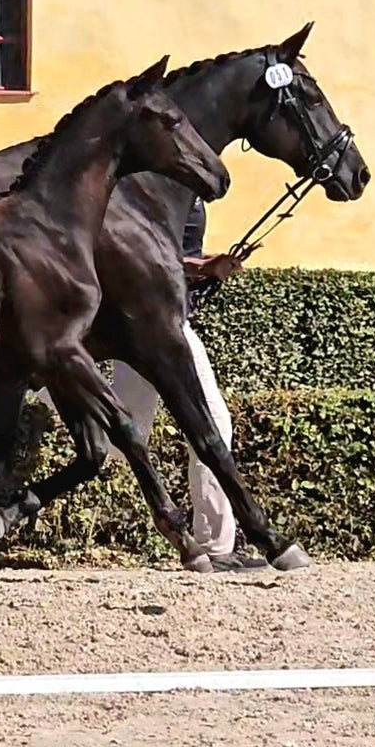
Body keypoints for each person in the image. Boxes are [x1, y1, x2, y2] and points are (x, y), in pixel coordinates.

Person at [111, 196, 268, 572]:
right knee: (203, 424)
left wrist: (206, 270)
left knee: (132, 434)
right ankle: (50, 387)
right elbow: (135, 252)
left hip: (163, 322)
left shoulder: (188, 188)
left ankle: (216, 544)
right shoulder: (146, 182)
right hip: (149, 325)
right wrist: (202, 266)